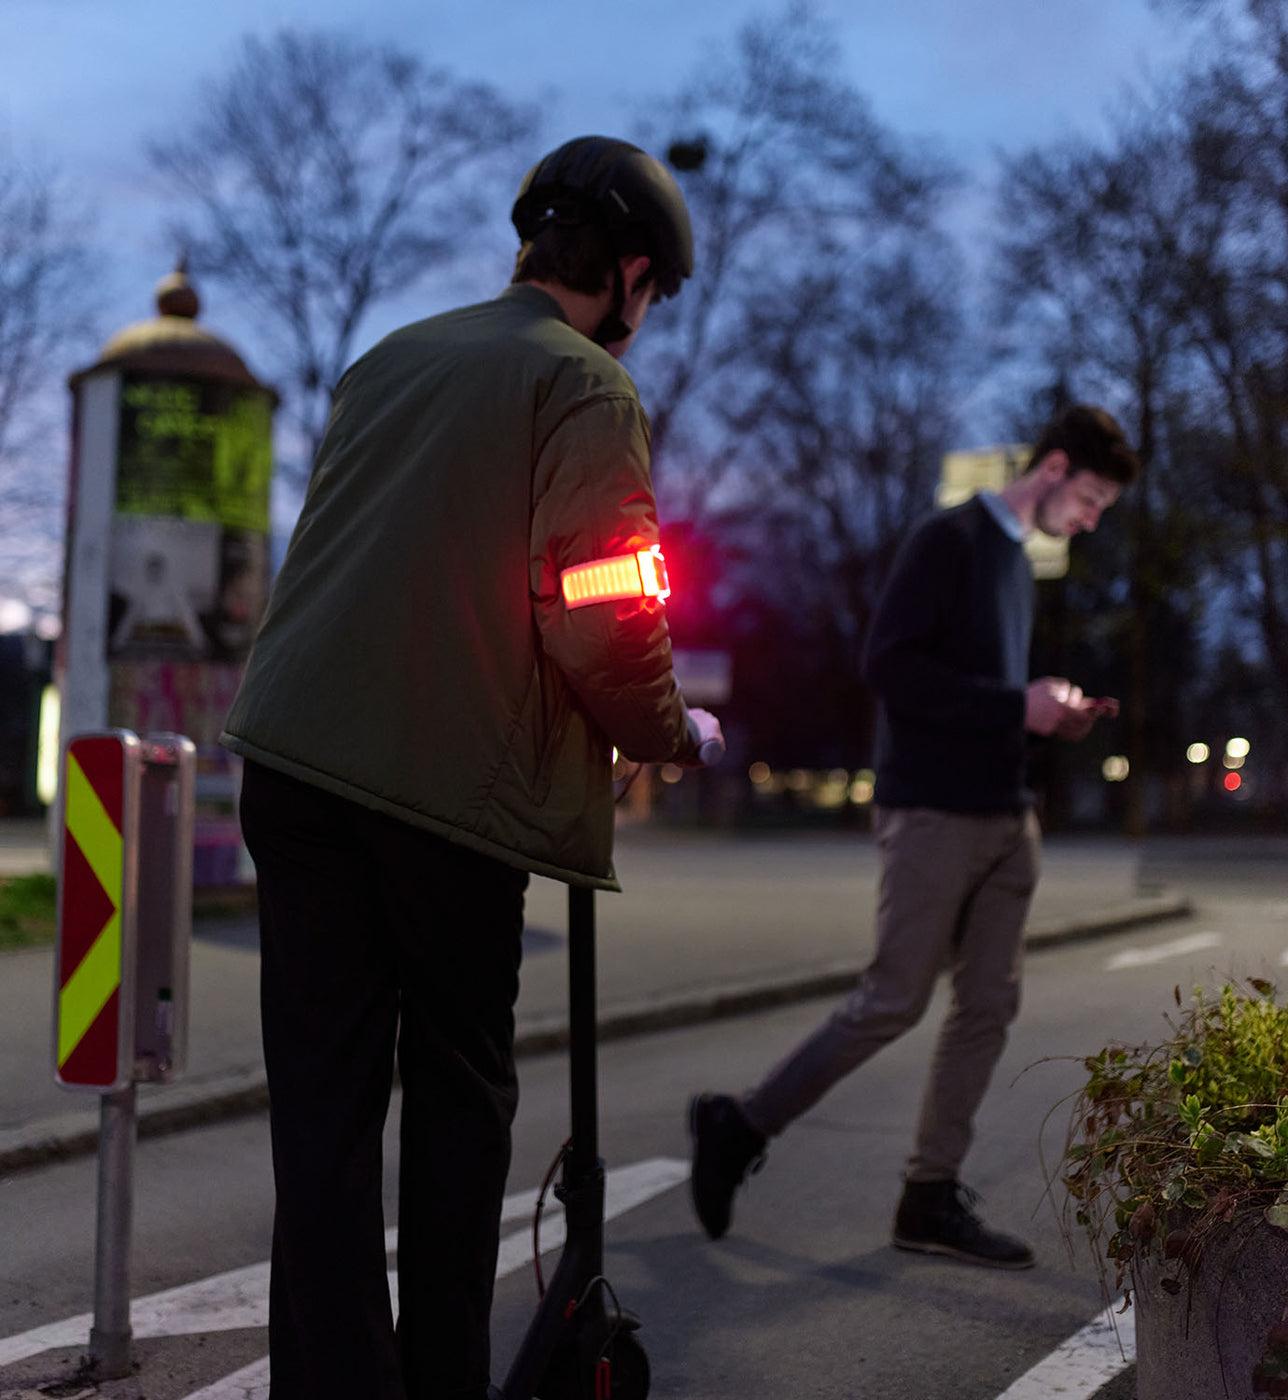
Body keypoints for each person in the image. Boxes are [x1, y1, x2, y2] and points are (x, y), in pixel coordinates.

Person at [221, 136, 723, 1400]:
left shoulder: (389, 358)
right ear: (624, 274)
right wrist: (672, 731)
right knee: (455, 1104)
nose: (645, 315)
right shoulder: (586, 388)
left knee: (322, 1123)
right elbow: (603, 610)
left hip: (291, 761)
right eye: (650, 289)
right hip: (446, 799)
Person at [688, 404, 1139, 1269]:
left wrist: (1049, 709)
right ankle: (739, 1123)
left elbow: (978, 684)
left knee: (988, 1006)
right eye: (1088, 499)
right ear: (1051, 469)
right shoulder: (950, 540)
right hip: (933, 812)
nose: (1089, 520)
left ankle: (928, 1198)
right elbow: (888, 666)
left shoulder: (1015, 564)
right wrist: (1018, 705)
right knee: (894, 997)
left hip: (1009, 812)